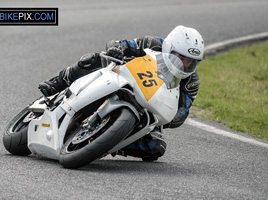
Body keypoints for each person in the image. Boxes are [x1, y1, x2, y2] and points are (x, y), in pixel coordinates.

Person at [39, 25, 204, 161]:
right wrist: (116, 50)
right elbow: (119, 43)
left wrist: (172, 116)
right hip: (123, 78)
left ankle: (109, 141)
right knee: (95, 59)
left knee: (156, 148)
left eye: (191, 62)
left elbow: (183, 110)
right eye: (181, 57)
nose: (185, 64)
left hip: (149, 109)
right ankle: (58, 82)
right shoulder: (152, 43)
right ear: (170, 48)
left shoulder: (191, 82)